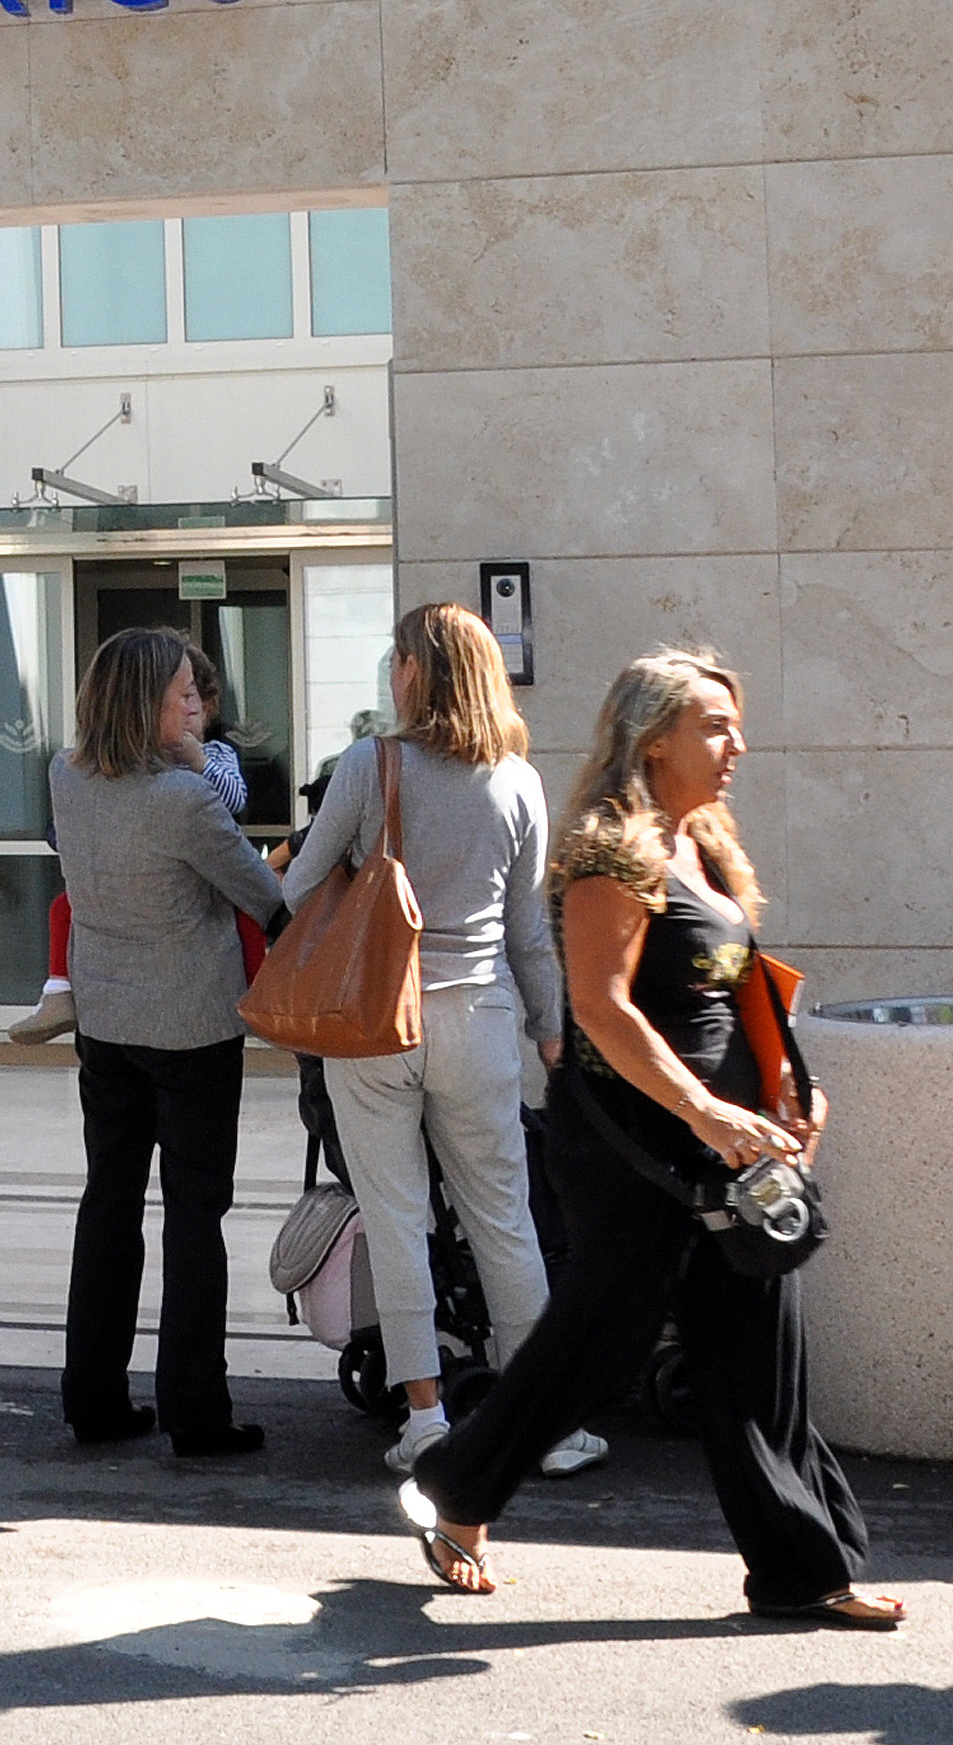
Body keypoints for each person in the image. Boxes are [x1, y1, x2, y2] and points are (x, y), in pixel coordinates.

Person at [399, 649, 900, 1629]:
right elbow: (602, 1008)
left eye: (734, 724)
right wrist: (705, 1111)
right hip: (636, 1142)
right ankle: (455, 1486)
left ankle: (802, 1570)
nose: (736, 744)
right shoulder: (608, 853)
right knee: (600, 1342)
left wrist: (787, 1085)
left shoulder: (700, 841)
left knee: (756, 1346)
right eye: (714, 724)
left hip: (727, 1141)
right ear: (653, 737)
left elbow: (736, 980)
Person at [284, 602, 601, 1478]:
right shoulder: (518, 780)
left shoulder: (369, 764)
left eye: (395, 661)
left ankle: (423, 1418)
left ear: (412, 673)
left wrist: (346, 864)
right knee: (504, 1218)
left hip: (372, 1020)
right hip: (479, 1020)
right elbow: (529, 933)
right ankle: (541, 1428)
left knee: (395, 1221)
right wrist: (550, 1033)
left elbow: (298, 889)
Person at [43, 624, 288, 1457]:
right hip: (191, 1028)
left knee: (108, 1204)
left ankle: (92, 1396)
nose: (195, 708)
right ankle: (195, 1409)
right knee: (193, 1214)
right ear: (145, 701)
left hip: (106, 1024)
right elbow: (261, 895)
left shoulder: (64, 774)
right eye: (182, 694)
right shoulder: (183, 799)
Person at [11, 641, 254, 1043]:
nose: (190, 709)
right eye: (182, 696)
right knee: (64, 907)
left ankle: (265, 998)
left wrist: (198, 763)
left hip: (199, 886)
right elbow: (66, 828)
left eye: (195, 698)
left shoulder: (212, 759)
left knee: (246, 917)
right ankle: (57, 990)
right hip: (151, 992)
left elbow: (234, 802)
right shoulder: (96, 772)